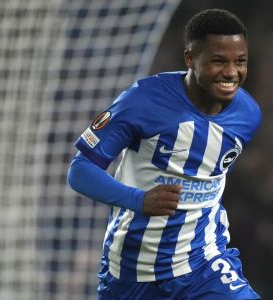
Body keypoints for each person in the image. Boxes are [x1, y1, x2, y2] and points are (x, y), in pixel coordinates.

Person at [68, 8, 261, 299]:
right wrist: (140, 200)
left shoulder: (248, 116)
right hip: (130, 271)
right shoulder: (143, 100)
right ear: (190, 59)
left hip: (202, 264)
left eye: (240, 61)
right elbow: (80, 170)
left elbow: (213, 174)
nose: (232, 72)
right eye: (218, 61)